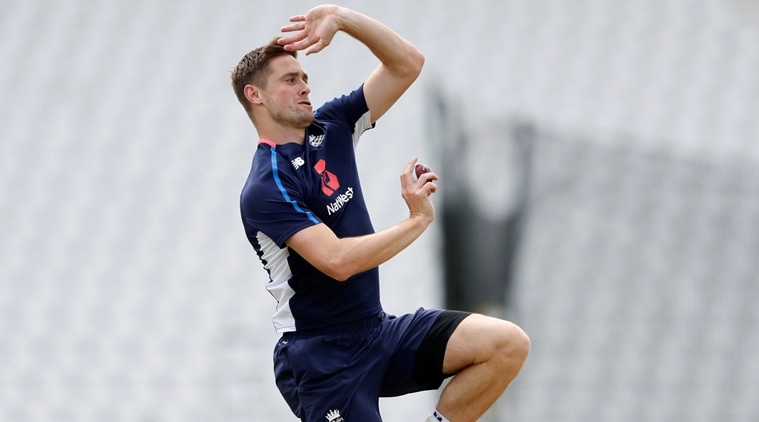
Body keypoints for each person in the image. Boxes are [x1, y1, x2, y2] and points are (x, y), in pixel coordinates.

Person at [230, 5, 530, 422]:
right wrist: (417, 221)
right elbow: (338, 262)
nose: (304, 88)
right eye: (290, 80)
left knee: (506, 344)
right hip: (321, 358)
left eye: (305, 78)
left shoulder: (329, 126)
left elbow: (407, 64)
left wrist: (341, 17)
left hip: (377, 332)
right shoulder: (266, 187)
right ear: (254, 95)